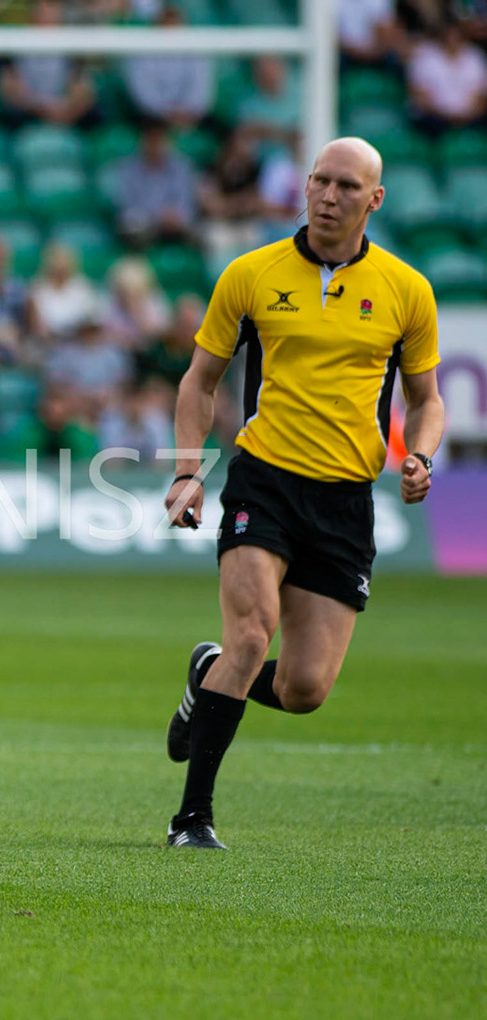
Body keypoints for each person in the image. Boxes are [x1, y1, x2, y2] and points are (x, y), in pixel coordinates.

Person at [162, 138, 445, 849]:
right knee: (252, 637)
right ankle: (192, 817)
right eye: (319, 180)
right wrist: (187, 470)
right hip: (265, 480)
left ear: (373, 200)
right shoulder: (252, 274)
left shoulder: (408, 290)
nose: (327, 195)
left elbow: (428, 400)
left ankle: (208, 675)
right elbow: (199, 381)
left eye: (346, 186)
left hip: (347, 499)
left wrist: (425, 456)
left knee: (304, 689)